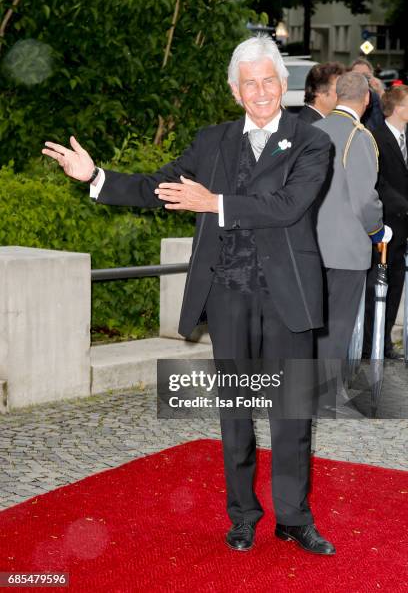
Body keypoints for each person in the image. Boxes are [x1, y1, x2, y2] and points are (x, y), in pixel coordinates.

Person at [43, 35, 336, 555]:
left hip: (288, 296)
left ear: (284, 83)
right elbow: (160, 186)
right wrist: (96, 177)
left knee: (292, 414)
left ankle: (293, 518)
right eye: (251, 83)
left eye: (270, 80)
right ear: (234, 90)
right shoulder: (212, 142)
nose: (262, 91)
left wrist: (215, 202)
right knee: (236, 414)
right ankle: (243, 516)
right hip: (227, 296)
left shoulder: (312, 140)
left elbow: (288, 205)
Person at [314, 72, 386, 367]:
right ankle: (321, 397)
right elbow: (364, 198)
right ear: (367, 99)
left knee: (313, 324)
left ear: (337, 94)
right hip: (346, 250)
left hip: (310, 245)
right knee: (337, 328)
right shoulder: (358, 136)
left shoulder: (313, 129)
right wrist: (378, 231)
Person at [363, 85, 408, 359]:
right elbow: (376, 182)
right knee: (377, 287)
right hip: (384, 227)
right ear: (398, 108)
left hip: (404, 231)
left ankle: (387, 340)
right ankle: (370, 344)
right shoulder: (375, 139)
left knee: (397, 286)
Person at [350, 58, 384, 131]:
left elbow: (388, 114)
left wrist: (380, 91)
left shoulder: (375, 96)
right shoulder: (343, 94)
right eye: (356, 75)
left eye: (365, 75)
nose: (361, 79)